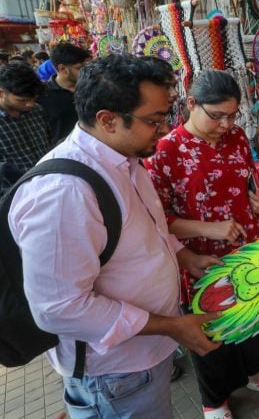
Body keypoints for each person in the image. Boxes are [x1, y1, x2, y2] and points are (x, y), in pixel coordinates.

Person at [8, 54, 223, 418]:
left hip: (143, 357)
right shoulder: (63, 193)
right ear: (107, 120)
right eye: (154, 120)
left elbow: (146, 228)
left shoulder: (125, 159)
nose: (164, 129)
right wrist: (171, 326)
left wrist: (186, 257)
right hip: (114, 373)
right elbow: (58, 309)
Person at [145, 69, 259, 419]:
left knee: (255, 319)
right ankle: (215, 399)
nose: (226, 124)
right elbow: (154, 218)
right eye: (217, 116)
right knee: (210, 330)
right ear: (191, 104)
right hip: (199, 258)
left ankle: (256, 373)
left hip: (248, 250)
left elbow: (248, 182)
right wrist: (209, 229)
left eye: (232, 115)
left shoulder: (236, 137)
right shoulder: (166, 150)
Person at [0, 61, 50, 194]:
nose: (30, 104)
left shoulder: (37, 111)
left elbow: (49, 142)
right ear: (1, 94)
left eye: (33, 99)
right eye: (22, 100)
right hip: (15, 193)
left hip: (49, 183)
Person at [38, 43, 91, 143]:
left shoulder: (91, 87)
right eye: (79, 68)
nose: (86, 72)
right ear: (62, 69)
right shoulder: (43, 95)